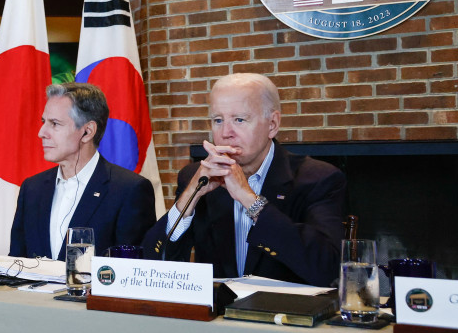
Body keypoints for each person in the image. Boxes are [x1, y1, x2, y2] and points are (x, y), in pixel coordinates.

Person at [141, 73, 347, 286]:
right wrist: (191, 195)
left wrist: (248, 198)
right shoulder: (196, 176)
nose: (226, 133)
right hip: (218, 315)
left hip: (287, 314)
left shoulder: (318, 178)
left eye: (239, 119)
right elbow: (153, 261)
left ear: (272, 124)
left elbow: (328, 269)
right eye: (218, 120)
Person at [9, 82, 156, 259]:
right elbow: (16, 262)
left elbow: (131, 272)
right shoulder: (32, 188)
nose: (42, 132)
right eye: (44, 122)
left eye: (55, 124)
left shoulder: (129, 190)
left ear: (87, 132)